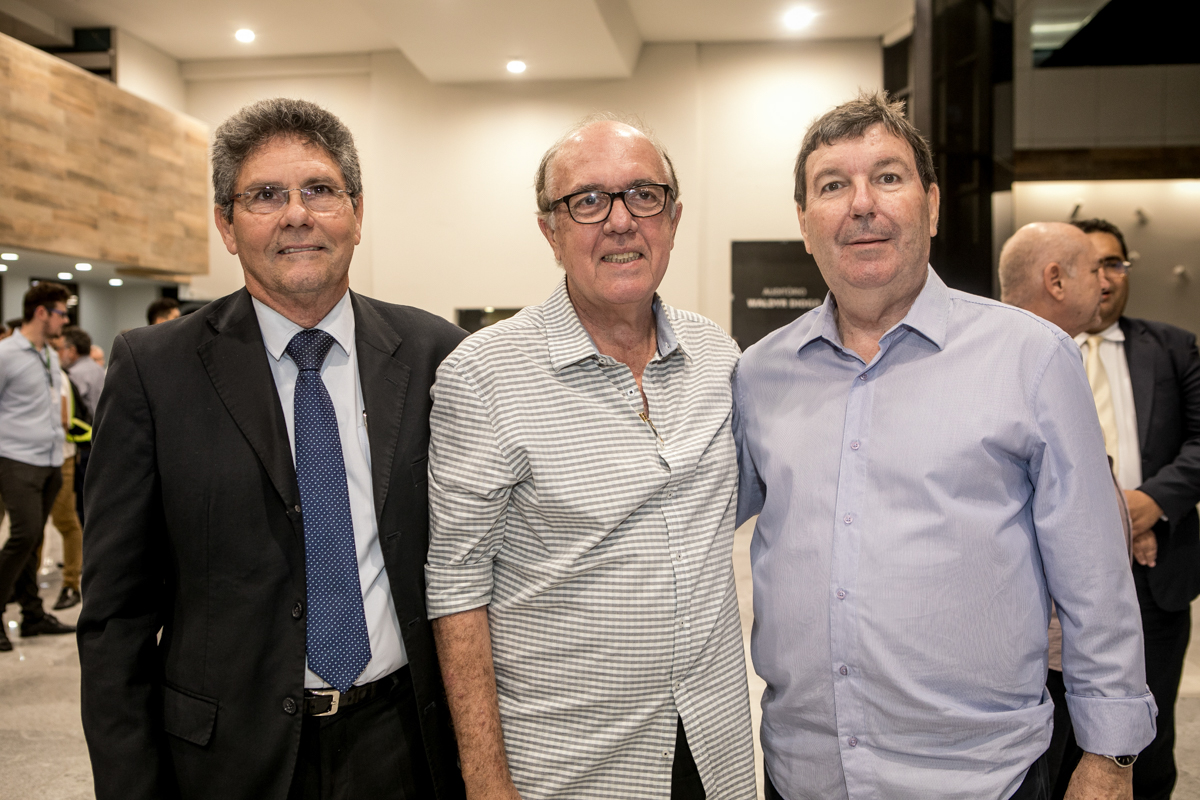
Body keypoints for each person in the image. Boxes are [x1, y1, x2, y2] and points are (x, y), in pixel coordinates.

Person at [733, 92, 1156, 800]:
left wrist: (1110, 757)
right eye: (832, 185)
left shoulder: (1032, 359)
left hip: (982, 778)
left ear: (931, 206)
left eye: (887, 177)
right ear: (804, 223)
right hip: (805, 775)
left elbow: (1095, 575)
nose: (861, 204)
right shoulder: (760, 374)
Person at [78, 98, 466, 800]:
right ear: (226, 225)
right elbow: (117, 618)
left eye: (319, 190)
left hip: (406, 745)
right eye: (264, 195)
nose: (296, 215)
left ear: (356, 213)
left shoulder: (437, 353)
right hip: (227, 758)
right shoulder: (154, 370)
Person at [426, 116, 756, 800]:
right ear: (550, 231)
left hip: (714, 750)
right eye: (587, 201)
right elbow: (457, 591)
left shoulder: (718, 357)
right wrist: (486, 783)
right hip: (570, 767)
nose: (620, 221)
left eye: (644, 195)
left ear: (673, 218)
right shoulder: (483, 376)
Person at [999, 221, 1137, 793]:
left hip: (1072, 655)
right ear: (1055, 280)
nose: (1106, 283)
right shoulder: (1007, 365)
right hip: (1037, 666)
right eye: (1094, 270)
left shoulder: (1043, 357)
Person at [1066, 218, 1200, 800]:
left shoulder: (1172, 347)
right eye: (1090, 264)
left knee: (1147, 744)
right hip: (1055, 584)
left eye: (1114, 264)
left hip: (1154, 574)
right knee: (1062, 739)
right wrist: (1113, 521)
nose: (1103, 278)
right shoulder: (1030, 350)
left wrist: (1148, 504)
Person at [0, 282, 78, 653]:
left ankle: (32, 615)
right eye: (61, 312)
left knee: (33, 541)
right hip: (16, 459)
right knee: (24, 535)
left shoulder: (47, 354)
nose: (66, 320)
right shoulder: (6, 353)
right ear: (41, 312)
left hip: (50, 459)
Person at [58, 326, 104, 527]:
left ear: (72, 350)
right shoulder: (99, 370)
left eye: (61, 349)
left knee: (81, 505)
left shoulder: (73, 375)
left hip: (84, 445)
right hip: (102, 442)